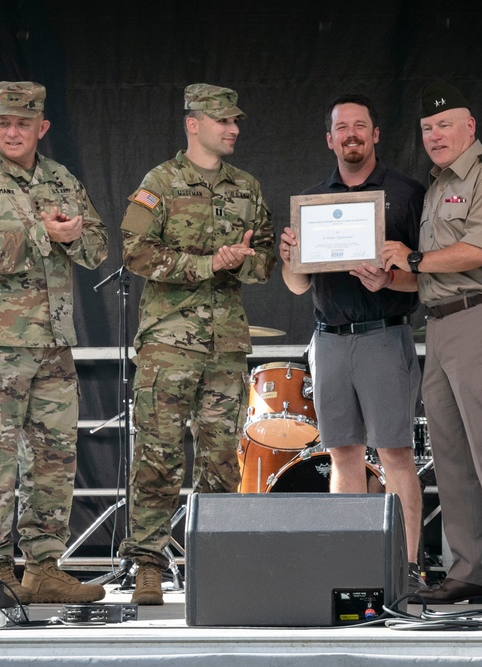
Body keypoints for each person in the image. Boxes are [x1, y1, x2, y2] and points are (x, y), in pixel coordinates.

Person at [0, 81, 109, 603]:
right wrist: (45, 233)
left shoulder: (61, 179)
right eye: (5, 122)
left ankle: (42, 570)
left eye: (24, 123)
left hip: (54, 347)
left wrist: (74, 234)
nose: (14, 132)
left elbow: (98, 248)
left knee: (53, 463)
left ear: (43, 128)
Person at [380, 81, 482, 604]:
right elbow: (430, 274)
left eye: (445, 124)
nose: (434, 135)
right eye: (427, 129)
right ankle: (470, 572)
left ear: (470, 127)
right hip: (441, 323)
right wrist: (387, 275)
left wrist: (409, 259)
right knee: (451, 454)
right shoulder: (435, 187)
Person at [118, 83, 275, 605]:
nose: (232, 129)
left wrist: (244, 261)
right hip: (168, 343)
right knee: (158, 456)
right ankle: (146, 565)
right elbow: (136, 254)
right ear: (193, 124)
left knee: (222, 458)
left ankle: (214, 562)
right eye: (222, 120)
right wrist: (209, 263)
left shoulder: (246, 187)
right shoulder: (159, 183)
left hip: (224, 345)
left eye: (235, 122)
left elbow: (265, 259)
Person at [279, 94, 427, 592]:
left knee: (395, 455)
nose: (351, 135)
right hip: (329, 343)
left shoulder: (408, 194)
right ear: (330, 139)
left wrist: (389, 281)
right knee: (343, 454)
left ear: (375, 134)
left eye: (360, 125)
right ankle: (351, 564)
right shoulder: (313, 202)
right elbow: (298, 287)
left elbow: (426, 280)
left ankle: (407, 567)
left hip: (384, 337)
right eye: (342, 128)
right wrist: (289, 258)